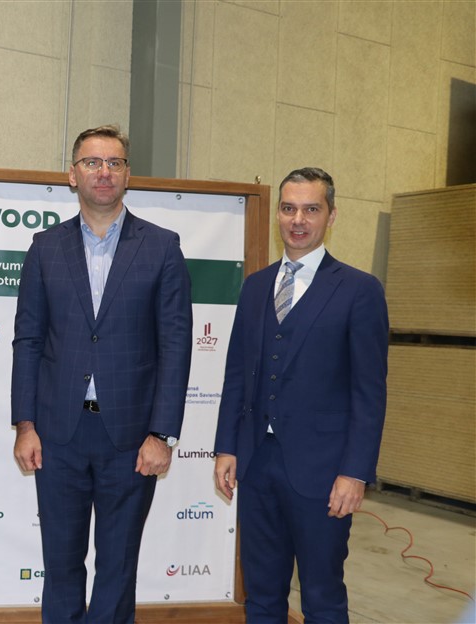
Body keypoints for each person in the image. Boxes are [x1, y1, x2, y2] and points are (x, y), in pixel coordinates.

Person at [12, 125, 193, 623]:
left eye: (114, 162)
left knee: (118, 566)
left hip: (131, 439)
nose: (104, 172)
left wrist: (162, 434)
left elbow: (176, 346)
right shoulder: (45, 248)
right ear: (73, 175)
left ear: (128, 174)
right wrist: (25, 425)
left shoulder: (162, 247)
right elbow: (28, 340)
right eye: (92, 162)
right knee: (61, 564)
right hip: (58, 436)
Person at [214, 167, 389, 623]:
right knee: (261, 594)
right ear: (278, 213)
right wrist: (227, 446)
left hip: (324, 472)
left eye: (311, 209)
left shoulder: (359, 290)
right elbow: (237, 374)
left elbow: (369, 393)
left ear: (331, 216)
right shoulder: (255, 287)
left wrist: (355, 473)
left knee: (322, 596)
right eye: (289, 208)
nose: (298, 220)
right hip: (258, 464)